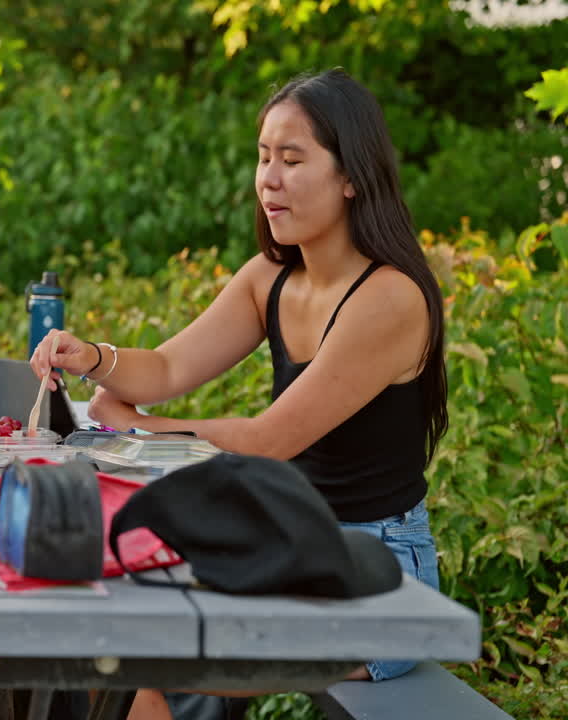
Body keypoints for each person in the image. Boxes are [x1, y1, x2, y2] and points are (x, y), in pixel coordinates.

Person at [30, 69, 448, 719]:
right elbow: (168, 366)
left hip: (374, 576)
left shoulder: (388, 299)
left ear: (351, 176)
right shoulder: (271, 278)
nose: (268, 179)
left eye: (291, 159)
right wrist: (91, 359)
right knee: (91, 634)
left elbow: (270, 440)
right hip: (288, 545)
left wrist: (135, 430)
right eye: (262, 159)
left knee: (127, 656)